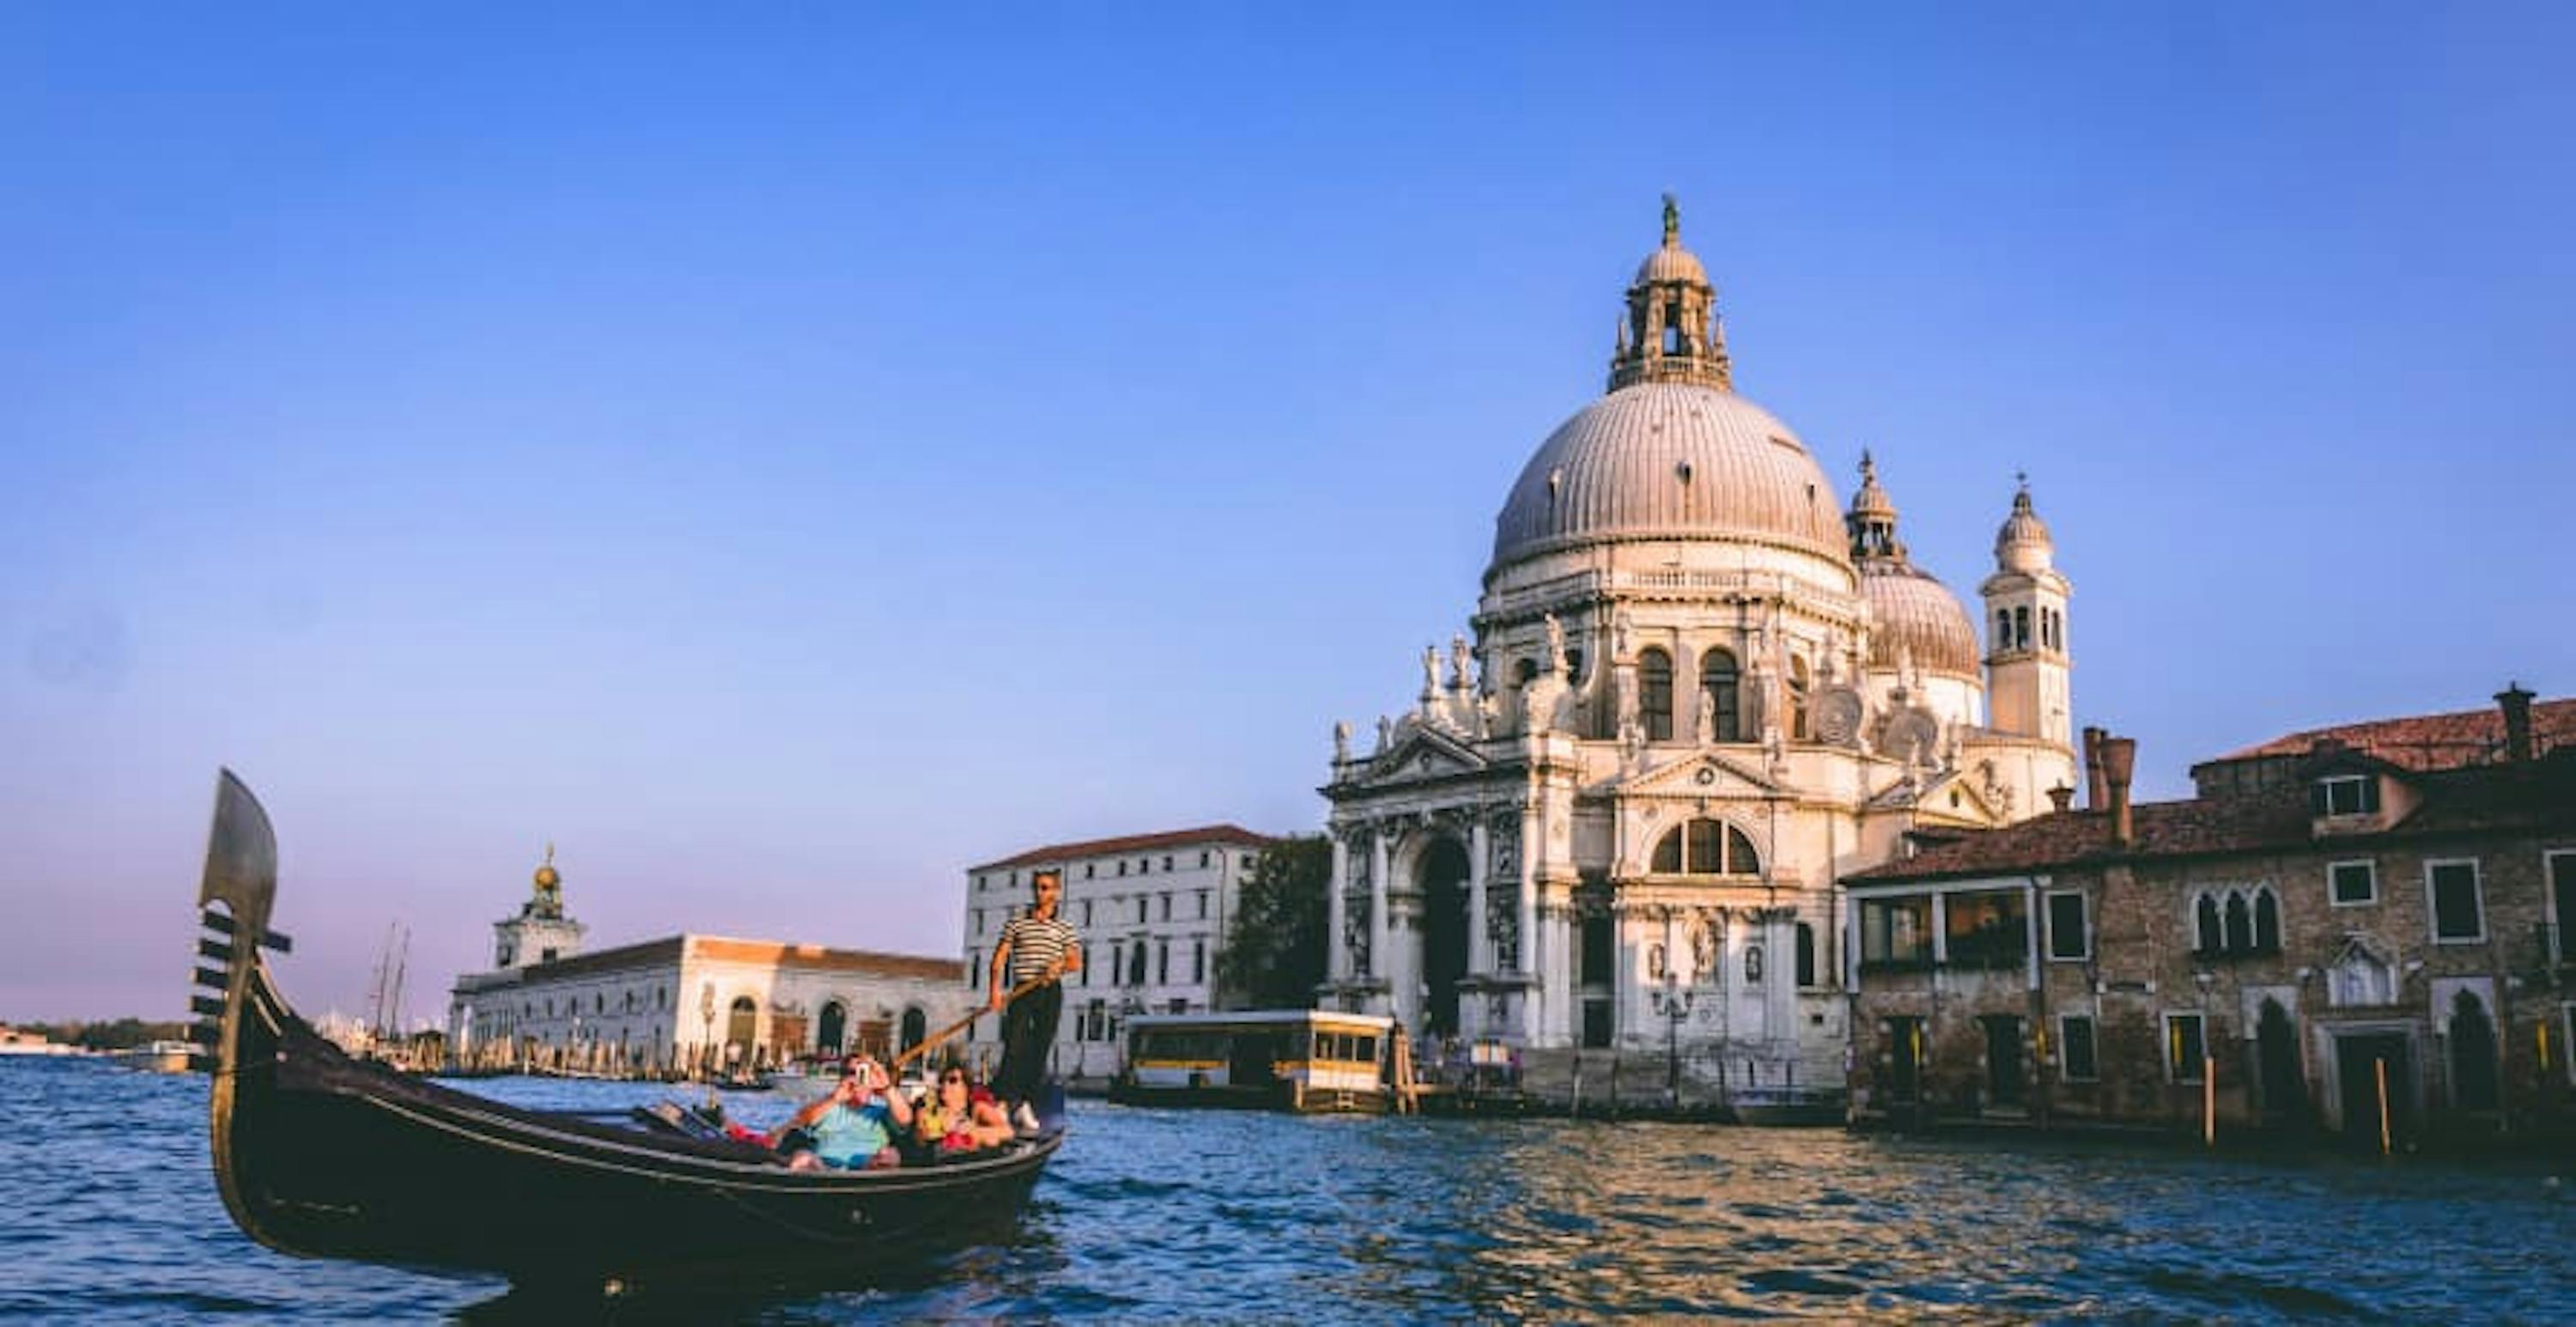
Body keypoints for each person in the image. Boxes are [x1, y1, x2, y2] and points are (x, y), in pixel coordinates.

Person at [987, 867, 1081, 1134]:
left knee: (1040, 1048)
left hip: (1050, 991)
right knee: (1015, 1044)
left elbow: (1076, 961)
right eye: (1038, 887)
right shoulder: (1017, 922)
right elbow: (999, 958)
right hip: (1022, 991)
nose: (1040, 893)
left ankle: (1025, 1102)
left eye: (1046, 887)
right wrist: (994, 992)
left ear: (1057, 892)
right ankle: (1005, 1101)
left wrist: (1060, 965)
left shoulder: (1064, 927)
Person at [775, 1053, 912, 1171]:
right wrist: (835, 1098)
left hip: (870, 1167)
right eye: (852, 1073)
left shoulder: (881, 1110)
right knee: (802, 1158)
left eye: (863, 1073)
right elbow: (802, 1119)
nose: (858, 1079)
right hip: (823, 1169)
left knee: (891, 1156)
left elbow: (905, 1119)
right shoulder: (827, 1105)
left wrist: (886, 1087)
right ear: (842, 1077)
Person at [914, 1066, 1015, 1155]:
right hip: (940, 1165)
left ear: (965, 1087)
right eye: (942, 1081)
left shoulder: (977, 1109)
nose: (945, 1084)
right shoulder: (929, 1110)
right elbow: (920, 1139)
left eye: (953, 1080)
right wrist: (939, 1129)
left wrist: (972, 1131)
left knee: (991, 1141)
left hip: (972, 1164)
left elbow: (1008, 1131)